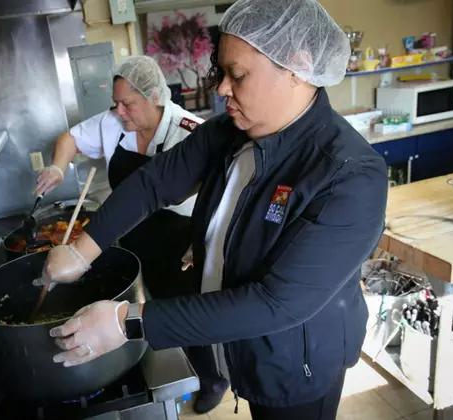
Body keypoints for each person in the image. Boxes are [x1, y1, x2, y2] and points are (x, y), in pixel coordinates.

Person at [41, 0, 389, 418]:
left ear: (296, 67)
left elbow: (277, 303)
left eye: (237, 75)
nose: (222, 88)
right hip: (238, 340)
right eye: (221, 72)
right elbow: (154, 183)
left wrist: (127, 322)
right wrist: (82, 249)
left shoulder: (350, 174)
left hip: (296, 364)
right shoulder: (230, 132)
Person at [35, 55, 228, 413]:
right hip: (135, 235)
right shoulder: (113, 123)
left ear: (154, 97)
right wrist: (59, 167)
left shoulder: (190, 130)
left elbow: (223, 191)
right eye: (116, 103)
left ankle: (213, 378)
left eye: (128, 104)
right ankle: (173, 363)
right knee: (148, 305)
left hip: (180, 242)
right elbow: (71, 137)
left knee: (185, 311)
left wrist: (201, 239)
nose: (119, 111)